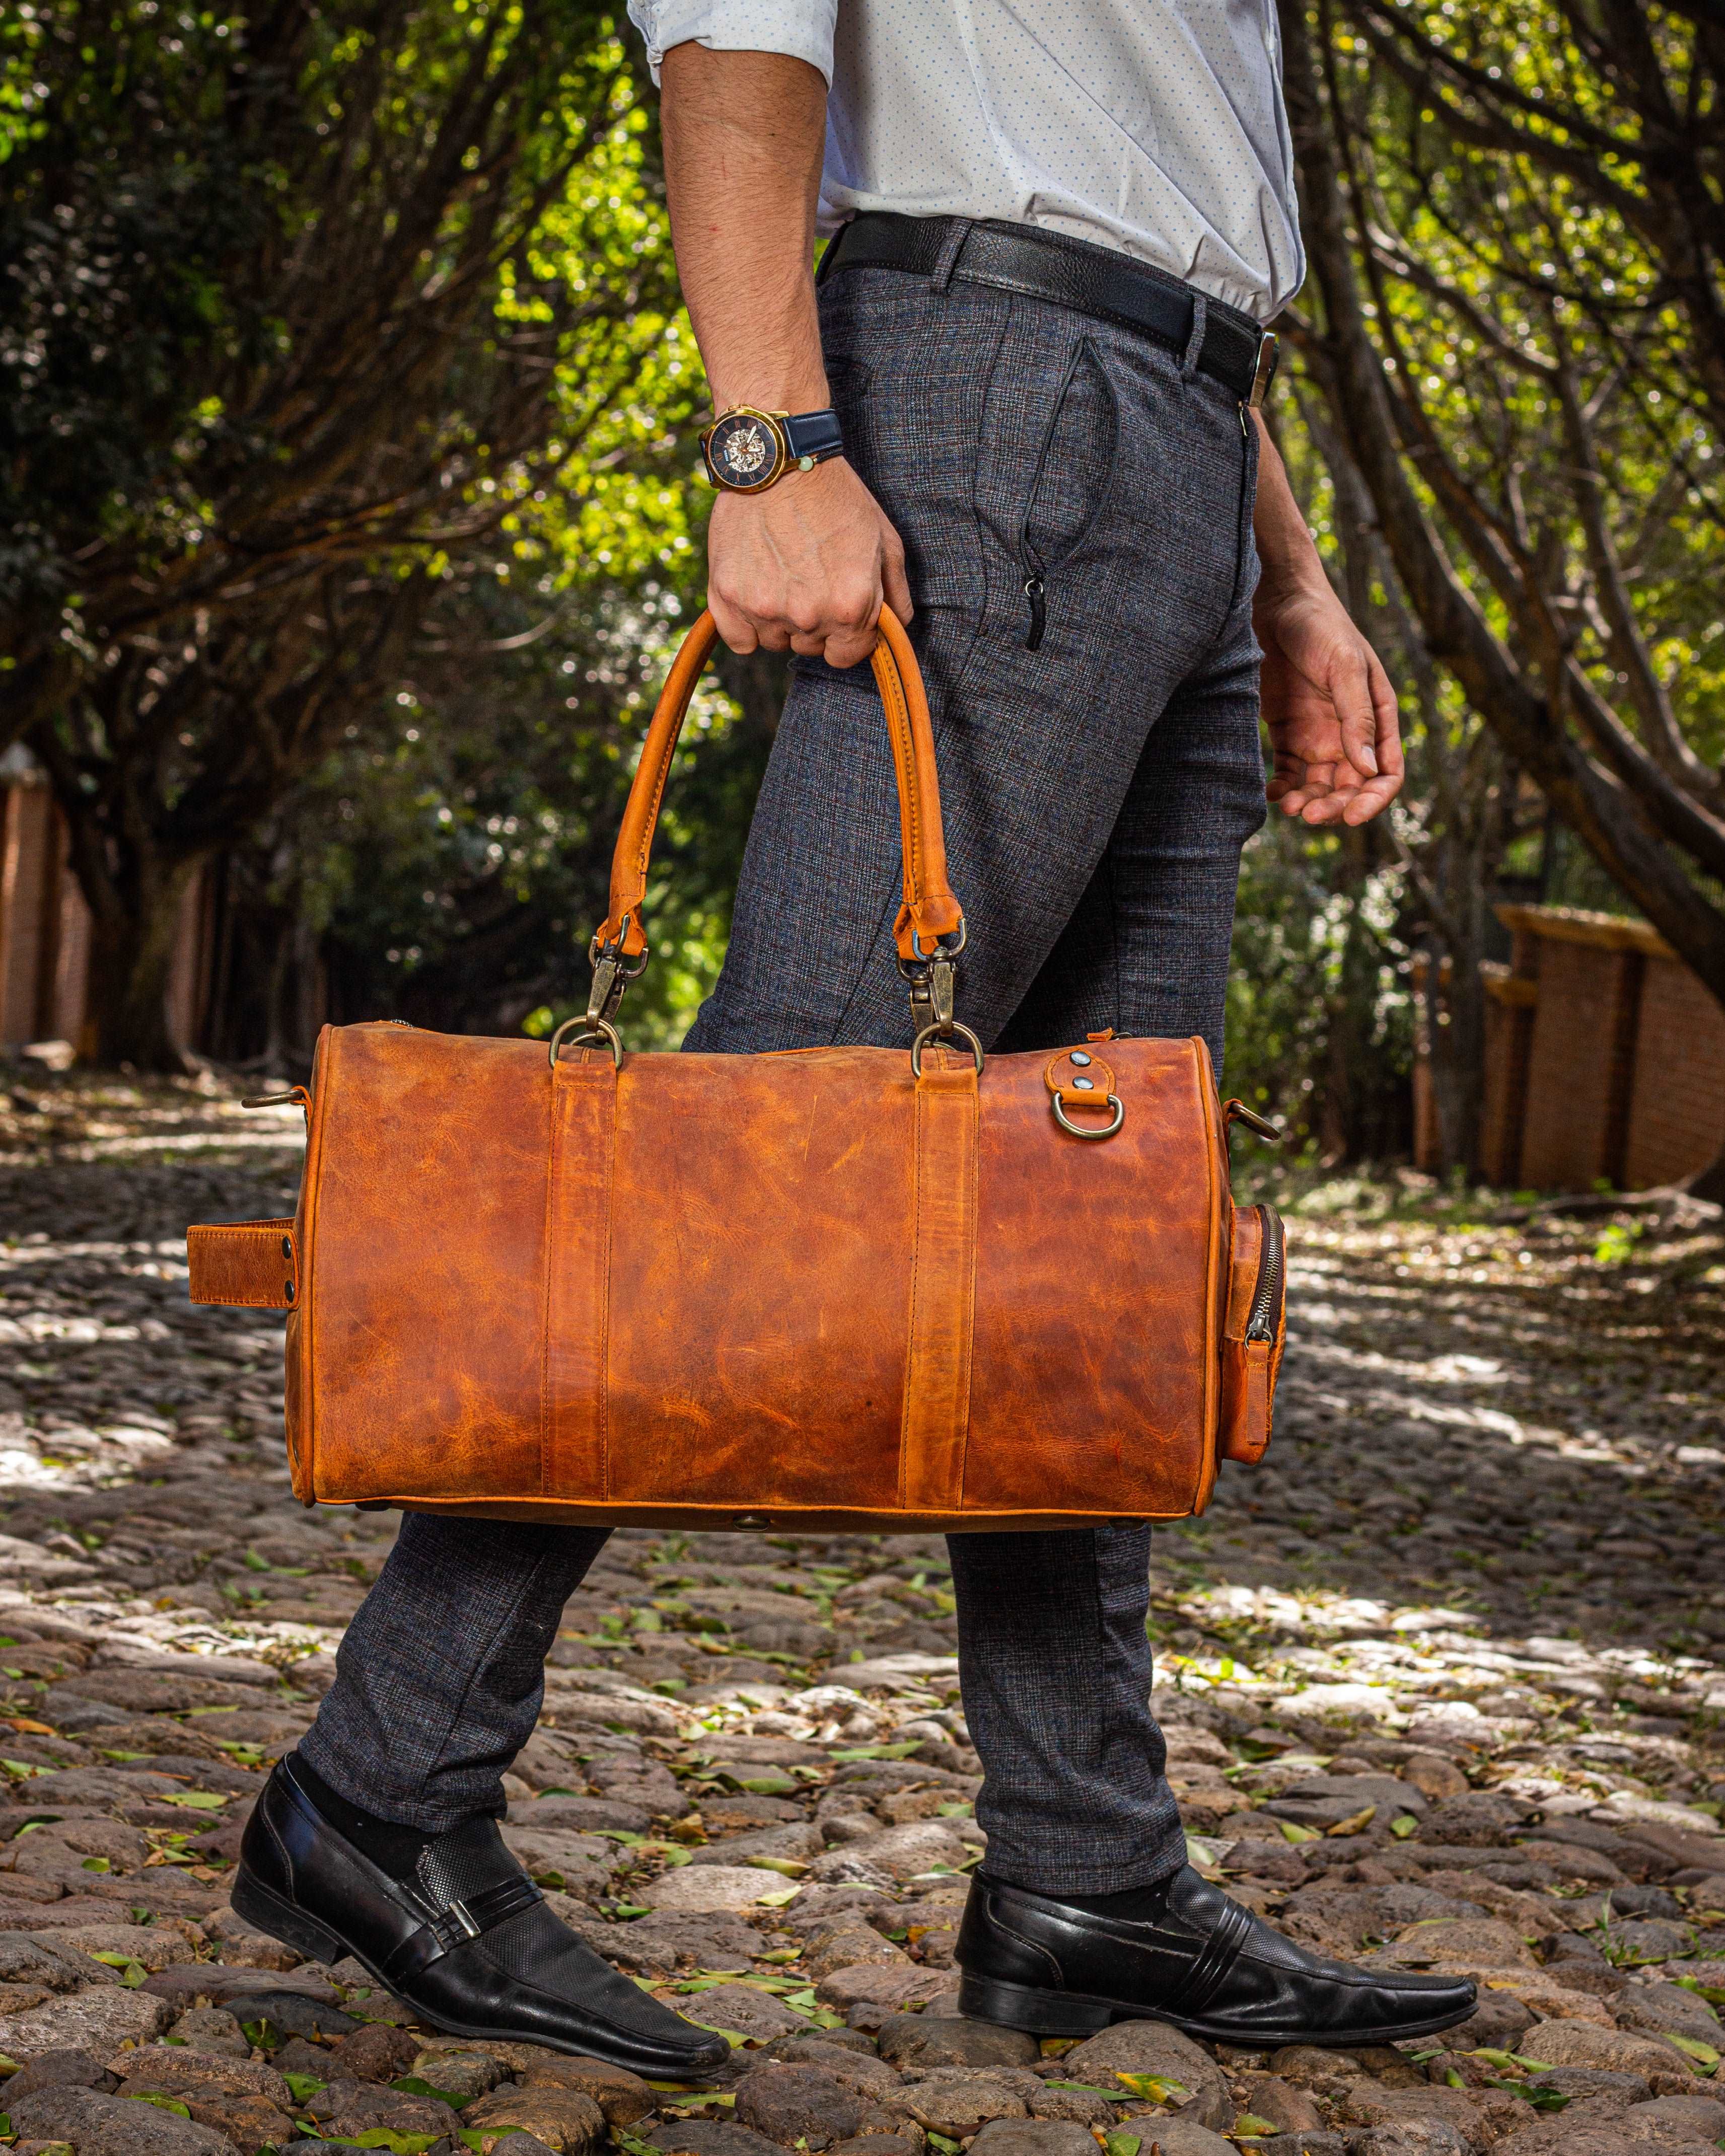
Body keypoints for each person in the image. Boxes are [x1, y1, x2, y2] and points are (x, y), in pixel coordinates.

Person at [233, 0, 1474, 2065]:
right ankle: (382, 1785)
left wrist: (1285, 568)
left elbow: (1164, 194)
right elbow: (738, 29)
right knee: (763, 1141)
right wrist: (770, 443)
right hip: (1004, 399)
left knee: (1091, 1233)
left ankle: (1085, 1870)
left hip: (1181, 433)